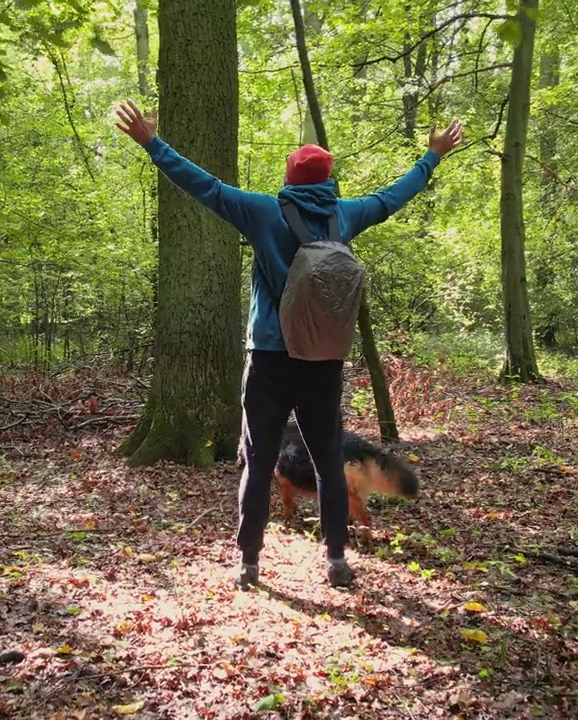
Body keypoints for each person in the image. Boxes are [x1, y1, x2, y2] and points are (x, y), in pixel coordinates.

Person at [114, 100, 462, 589]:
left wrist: (153, 143)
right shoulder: (347, 215)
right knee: (326, 461)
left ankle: (249, 563)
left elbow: (206, 188)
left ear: (290, 178)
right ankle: (336, 559)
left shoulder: (263, 212)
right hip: (323, 360)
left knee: (258, 462)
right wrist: (432, 157)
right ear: (327, 179)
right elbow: (391, 197)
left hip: (270, 359)